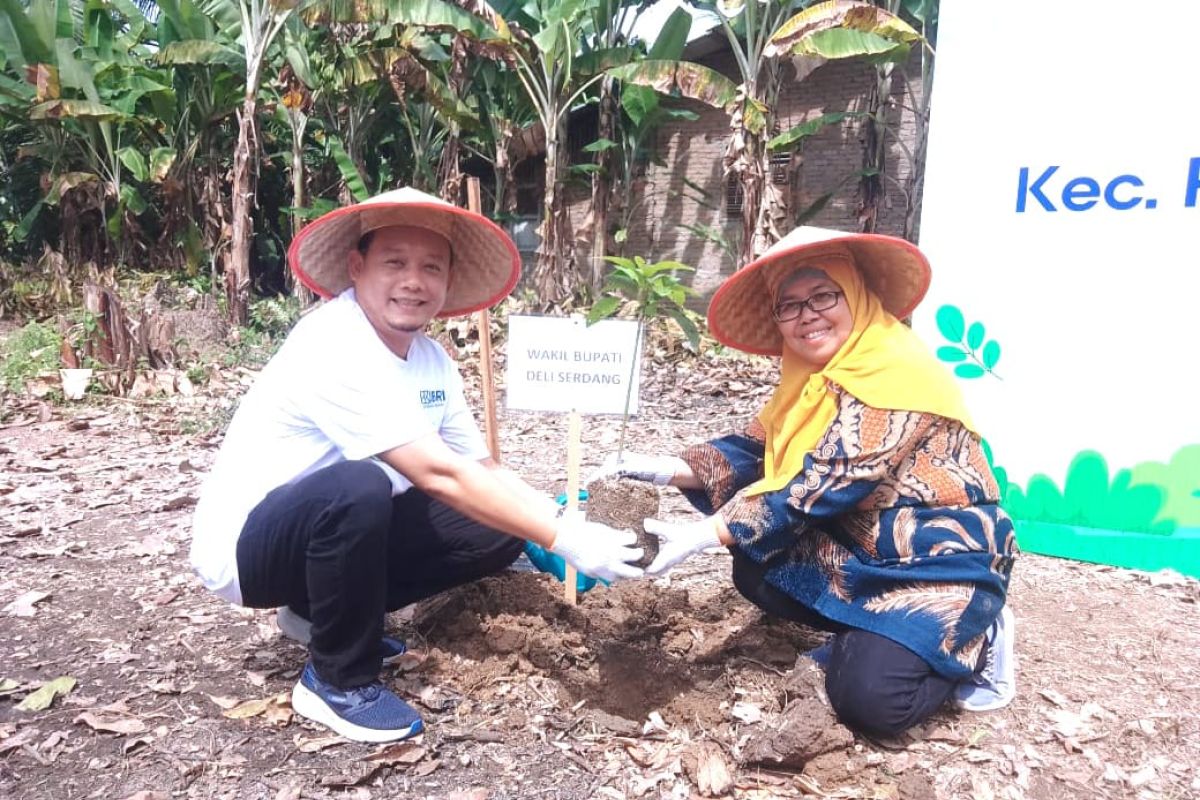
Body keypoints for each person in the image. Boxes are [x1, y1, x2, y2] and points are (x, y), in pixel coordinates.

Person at [190, 188, 644, 743]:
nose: (414, 281)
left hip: (330, 538)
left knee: (495, 526)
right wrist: (563, 536)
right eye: (395, 263)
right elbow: (436, 473)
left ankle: (317, 614)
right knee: (358, 484)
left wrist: (558, 523)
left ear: (448, 279)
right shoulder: (332, 342)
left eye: (432, 266)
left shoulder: (432, 361)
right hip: (251, 549)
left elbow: (481, 467)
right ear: (357, 267)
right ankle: (336, 680)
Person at [594, 226, 1017, 739]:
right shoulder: (810, 376)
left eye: (823, 295)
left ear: (856, 295)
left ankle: (976, 637)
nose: (807, 315)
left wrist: (699, 537)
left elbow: (820, 486)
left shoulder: (897, 373)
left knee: (873, 705)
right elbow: (756, 448)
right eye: (788, 306)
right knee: (756, 566)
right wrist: (665, 466)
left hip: (937, 559)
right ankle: (886, 638)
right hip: (864, 547)